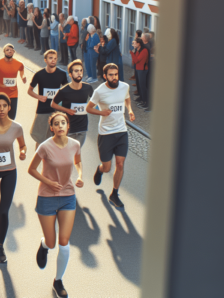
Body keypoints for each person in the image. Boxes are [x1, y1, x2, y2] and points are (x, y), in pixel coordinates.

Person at [28, 111, 83, 298]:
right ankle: (44, 245)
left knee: (64, 242)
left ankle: (58, 280)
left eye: (63, 123)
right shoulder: (45, 147)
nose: (60, 126)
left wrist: (81, 176)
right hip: (46, 197)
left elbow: (78, 161)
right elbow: (31, 169)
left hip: (68, 196)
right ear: (51, 128)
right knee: (52, 243)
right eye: (56, 124)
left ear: (68, 126)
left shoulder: (75, 144)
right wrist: (48, 182)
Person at [0, 93, 27, 262]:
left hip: (9, 171)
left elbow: (22, 145)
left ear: (9, 107)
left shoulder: (17, 127)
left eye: (4, 106)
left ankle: (0, 246)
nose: (1, 109)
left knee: (3, 212)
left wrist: (22, 152)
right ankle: (0, 242)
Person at [85, 63, 134, 210]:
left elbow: (127, 98)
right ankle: (100, 170)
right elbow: (88, 108)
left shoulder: (124, 86)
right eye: (111, 75)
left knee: (120, 164)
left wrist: (130, 110)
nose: (114, 77)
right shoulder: (100, 91)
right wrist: (101, 112)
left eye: (116, 74)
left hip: (121, 131)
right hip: (106, 133)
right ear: (105, 76)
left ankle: (114, 193)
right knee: (107, 167)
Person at [27, 50, 69, 150]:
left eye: (55, 58)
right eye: (50, 58)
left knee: (56, 139)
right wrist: (39, 97)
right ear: (45, 60)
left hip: (57, 112)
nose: (53, 60)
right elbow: (29, 91)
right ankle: (36, 162)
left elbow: (67, 91)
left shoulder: (62, 74)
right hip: (42, 110)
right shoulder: (39, 74)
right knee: (40, 139)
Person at [51, 60, 94, 147]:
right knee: (67, 154)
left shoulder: (88, 88)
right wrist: (67, 110)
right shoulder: (64, 91)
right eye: (76, 71)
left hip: (82, 128)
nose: (79, 73)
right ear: (70, 74)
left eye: (81, 70)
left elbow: (94, 102)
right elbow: (53, 104)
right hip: (68, 129)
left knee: (76, 152)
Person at [0, 44, 26, 120]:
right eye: (7, 50)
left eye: (11, 50)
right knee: (1, 116)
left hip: (13, 93)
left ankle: (9, 131)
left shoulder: (19, 64)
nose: (9, 51)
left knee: (12, 117)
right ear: (4, 51)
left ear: (14, 52)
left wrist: (23, 76)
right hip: (0, 93)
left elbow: (21, 70)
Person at [130, 37, 150, 111]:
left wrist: (132, 53)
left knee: (143, 87)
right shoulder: (138, 50)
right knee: (140, 86)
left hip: (142, 70)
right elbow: (135, 61)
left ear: (138, 44)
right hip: (139, 69)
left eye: (134, 43)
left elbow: (136, 60)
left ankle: (146, 102)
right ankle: (142, 100)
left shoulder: (144, 50)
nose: (133, 44)